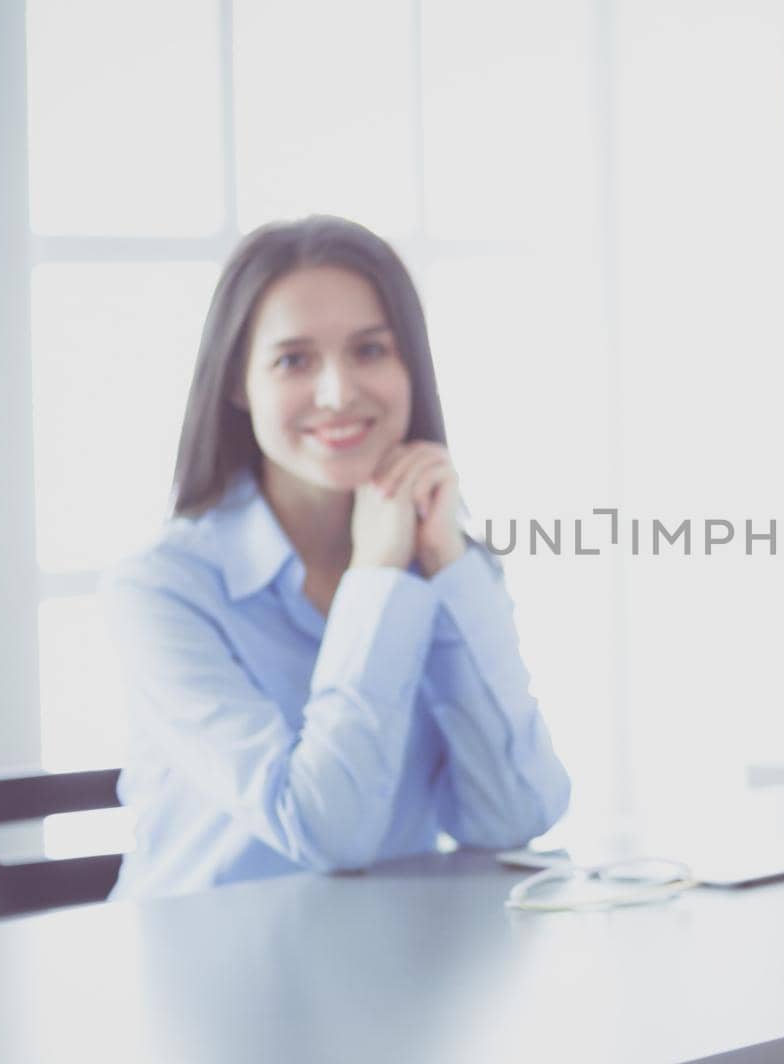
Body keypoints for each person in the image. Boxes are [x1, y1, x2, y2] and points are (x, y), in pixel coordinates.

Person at [103, 215, 570, 899]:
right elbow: (325, 831)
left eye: (371, 351)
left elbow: (516, 815)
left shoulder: (444, 555)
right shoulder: (162, 589)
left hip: (392, 971)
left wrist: (445, 568)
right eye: (294, 360)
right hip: (205, 982)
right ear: (238, 383)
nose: (339, 392)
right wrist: (378, 577)